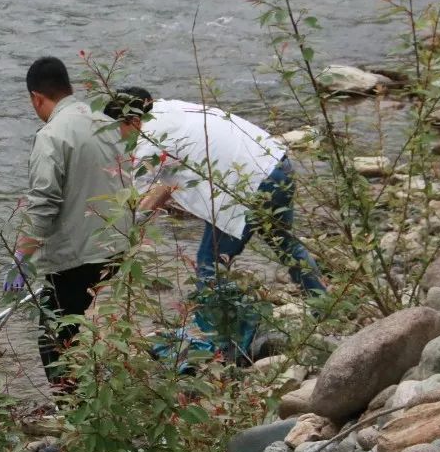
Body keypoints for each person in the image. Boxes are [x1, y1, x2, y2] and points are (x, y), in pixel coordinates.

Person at [103, 87, 326, 297]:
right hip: (278, 166)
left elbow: (138, 203)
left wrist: (119, 240)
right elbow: (165, 186)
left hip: (248, 188)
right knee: (285, 244)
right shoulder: (170, 108)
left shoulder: (149, 141)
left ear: (134, 121)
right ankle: (322, 305)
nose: (117, 138)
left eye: (116, 129)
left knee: (210, 265)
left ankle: (225, 325)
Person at [7, 56, 130, 389]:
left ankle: (72, 414)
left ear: (36, 97)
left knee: (54, 340)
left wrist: (22, 258)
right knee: (86, 332)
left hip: (78, 257)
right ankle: (98, 399)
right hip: (118, 247)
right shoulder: (106, 123)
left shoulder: (51, 135)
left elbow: (43, 203)